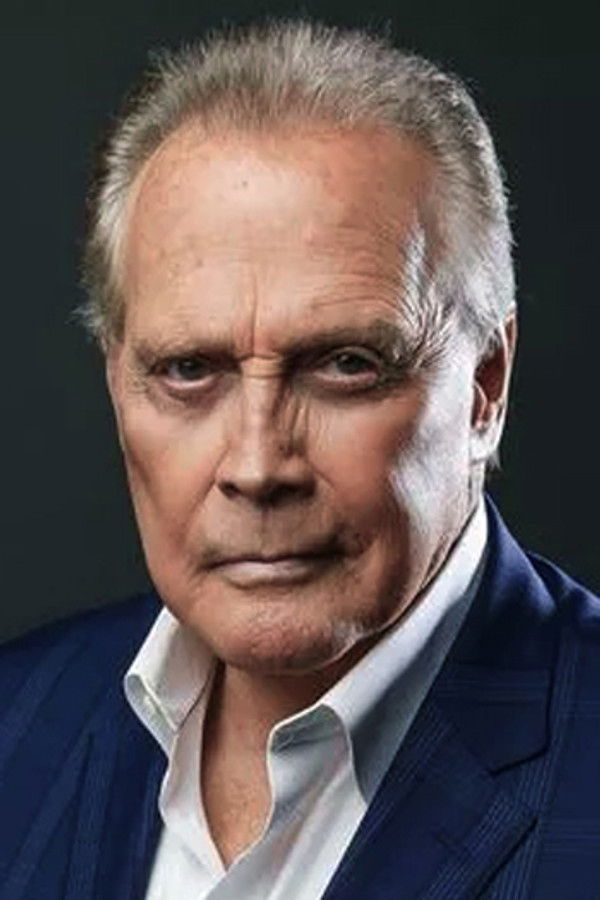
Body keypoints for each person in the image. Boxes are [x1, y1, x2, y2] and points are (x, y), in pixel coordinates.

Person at [0, 19, 598, 900]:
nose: (256, 466)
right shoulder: (18, 725)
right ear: (116, 380)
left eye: (345, 364)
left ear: (485, 387)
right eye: (189, 370)